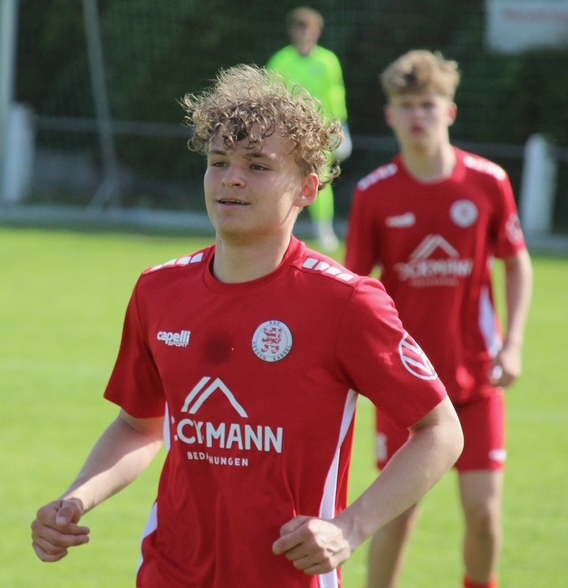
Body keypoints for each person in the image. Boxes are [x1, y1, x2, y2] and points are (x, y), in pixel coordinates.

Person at [31, 64, 464, 588]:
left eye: (258, 165)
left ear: (307, 189)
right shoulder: (158, 290)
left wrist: (349, 528)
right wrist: (76, 498)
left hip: (289, 576)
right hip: (170, 573)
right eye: (219, 162)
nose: (231, 178)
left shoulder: (347, 302)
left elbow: (441, 431)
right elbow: (138, 425)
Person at [344, 50, 533, 588]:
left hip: (475, 378)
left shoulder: (488, 181)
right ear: (390, 115)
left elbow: (517, 262)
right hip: (403, 384)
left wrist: (513, 344)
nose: (417, 116)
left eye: (428, 104)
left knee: (484, 515)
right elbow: (352, 287)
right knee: (397, 517)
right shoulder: (374, 193)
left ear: (450, 110)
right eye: (406, 106)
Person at [267, 6, 352, 251]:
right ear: (292, 31)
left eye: (309, 29)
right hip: (288, 132)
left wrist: (341, 127)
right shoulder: (281, 61)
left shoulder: (328, 61)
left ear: (317, 31)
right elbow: (271, 97)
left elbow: (336, 96)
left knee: (320, 179)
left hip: (320, 132)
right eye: (300, 28)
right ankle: (277, 229)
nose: (305, 34)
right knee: (282, 180)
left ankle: (324, 230)